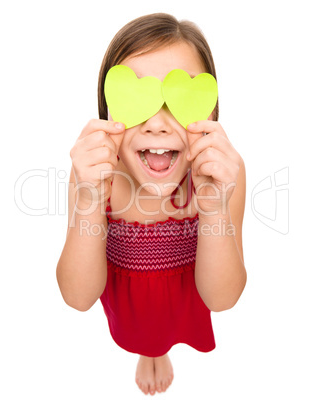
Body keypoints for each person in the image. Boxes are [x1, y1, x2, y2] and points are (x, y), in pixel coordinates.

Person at [56, 13, 247, 396]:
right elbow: (78, 297)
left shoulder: (223, 174)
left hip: (187, 294)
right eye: (137, 99)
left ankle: (160, 349)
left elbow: (222, 298)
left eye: (178, 101)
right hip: (128, 301)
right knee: (143, 336)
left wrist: (213, 210)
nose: (157, 125)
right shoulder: (97, 175)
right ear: (109, 113)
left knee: (169, 328)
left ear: (210, 112)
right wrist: (90, 199)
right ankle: (148, 351)